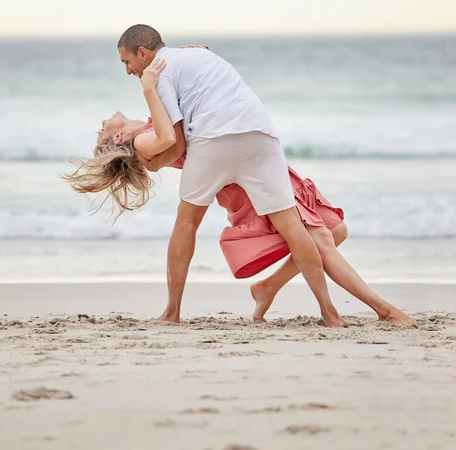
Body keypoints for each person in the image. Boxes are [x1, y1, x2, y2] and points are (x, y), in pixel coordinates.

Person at [64, 55, 415, 327]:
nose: (102, 121)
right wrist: (150, 86)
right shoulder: (145, 144)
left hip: (251, 160)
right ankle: (382, 309)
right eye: (103, 131)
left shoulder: (146, 123)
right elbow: (175, 141)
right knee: (321, 239)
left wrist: (189, 58)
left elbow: (195, 99)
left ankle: (268, 287)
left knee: (335, 230)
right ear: (119, 139)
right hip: (242, 178)